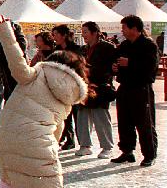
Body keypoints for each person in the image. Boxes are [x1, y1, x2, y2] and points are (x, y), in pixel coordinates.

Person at [0, 15, 89, 188]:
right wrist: (50, 150)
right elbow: (57, 131)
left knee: (8, 180)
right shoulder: (68, 97)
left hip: (8, 135)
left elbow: (17, 64)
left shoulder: (38, 73)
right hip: (39, 141)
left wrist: (5, 31)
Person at [111, 15, 159, 167]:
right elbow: (116, 60)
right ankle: (127, 151)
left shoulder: (148, 45)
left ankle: (149, 154)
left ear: (134, 29)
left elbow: (151, 68)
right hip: (125, 87)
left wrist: (130, 63)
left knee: (144, 123)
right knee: (124, 121)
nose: (122, 31)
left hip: (141, 88)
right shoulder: (124, 45)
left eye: (124, 27)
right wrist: (115, 68)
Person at [74, 22, 117, 158]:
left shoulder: (107, 47)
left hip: (100, 87)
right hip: (85, 87)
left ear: (95, 32)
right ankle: (85, 145)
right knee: (83, 117)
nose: (84, 35)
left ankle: (107, 147)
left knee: (101, 117)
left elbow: (112, 67)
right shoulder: (83, 49)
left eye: (86, 32)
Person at [51, 24, 81, 151]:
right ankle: (69, 138)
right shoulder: (56, 49)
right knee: (65, 115)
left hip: (74, 84)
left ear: (64, 35)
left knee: (77, 114)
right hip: (61, 86)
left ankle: (83, 142)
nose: (54, 37)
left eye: (56, 34)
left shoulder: (75, 49)